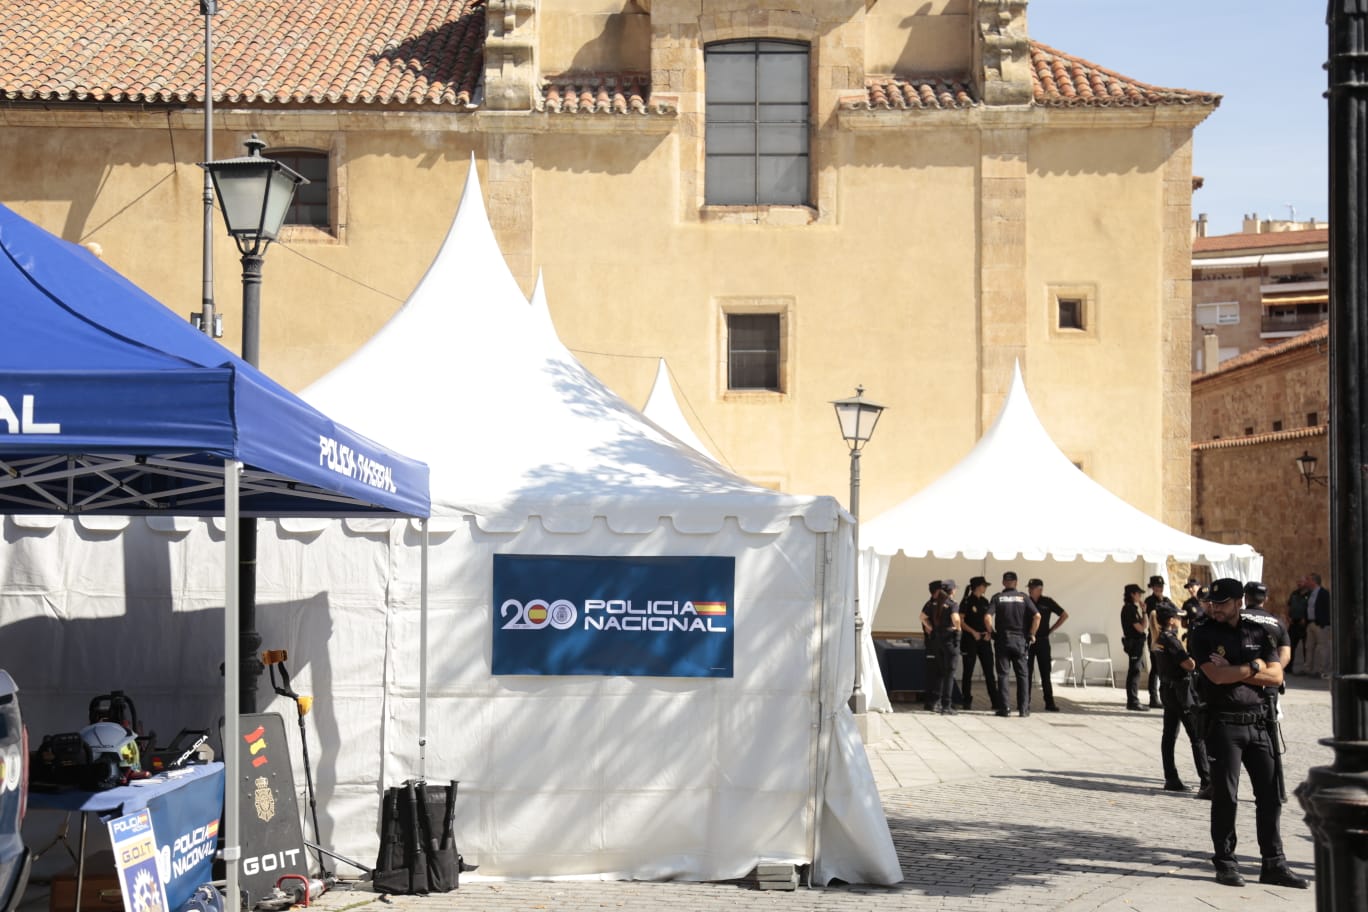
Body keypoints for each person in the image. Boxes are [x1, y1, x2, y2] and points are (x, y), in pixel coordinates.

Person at [1187, 578, 1308, 890]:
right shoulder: (1203, 634)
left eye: (1222, 603)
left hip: (1259, 724)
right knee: (1225, 797)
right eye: (1213, 602)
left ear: (1239, 601)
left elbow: (1277, 675)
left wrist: (1241, 668)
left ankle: (1274, 863)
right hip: (1223, 724)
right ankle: (1225, 862)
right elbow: (1216, 676)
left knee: (1270, 795)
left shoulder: (1257, 632)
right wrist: (1255, 667)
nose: (1215, 608)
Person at [1152, 604, 1211, 796]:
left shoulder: (1159, 638)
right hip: (1180, 692)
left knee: (1168, 736)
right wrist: (1194, 661)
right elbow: (1187, 664)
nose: (1179, 620)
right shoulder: (1171, 640)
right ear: (1170, 620)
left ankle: (1171, 778)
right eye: (1177, 617)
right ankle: (1207, 782)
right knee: (1196, 736)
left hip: (1167, 690)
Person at [985, 571, 1039, 718]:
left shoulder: (997, 598)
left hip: (1002, 640)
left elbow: (987, 616)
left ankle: (1005, 708)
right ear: (1016, 582)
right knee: (1022, 675)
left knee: (1003, 675)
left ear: (1003, 582)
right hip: (1020, 641)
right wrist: (1031, 634)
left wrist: (992, 632)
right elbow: (1037, 616)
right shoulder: (1024, 598)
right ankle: (1023, 709)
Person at [959, 576, 1003, 712]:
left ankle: (995, 701)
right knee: (968, 671)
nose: (985, 588)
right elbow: (960, 621)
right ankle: (966, 700)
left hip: (984, 640)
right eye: (984, 586)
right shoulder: (966, 601)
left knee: (989, 671)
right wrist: (973, 632)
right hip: (970, 640)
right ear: (978, 586)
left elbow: (987, 619)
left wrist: (989, 633)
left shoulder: (985, 601)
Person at [1026, 578, 1067, 712]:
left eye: (1032, 588)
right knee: (1026, 672)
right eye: (1029, 588)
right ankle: (1025, 702)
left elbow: (1064, 615)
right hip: (1028, 641)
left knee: (1045, 673)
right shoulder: (1026, 601)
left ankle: (1049, 702)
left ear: (1040, 589)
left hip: (1043, 640)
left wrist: (1052, 629)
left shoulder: (1047, 602)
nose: (1029, 590)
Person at [925, 579, 962, 714]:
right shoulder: (952, 604)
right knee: (949, 674)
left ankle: (938, 702)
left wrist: (932, 628)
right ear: (952, 590)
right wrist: (957, 629)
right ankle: (947, 705)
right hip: (950, 642)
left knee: (941, 672)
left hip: (938, 641)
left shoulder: (933, 603)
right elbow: (956, 619)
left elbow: (922, 617)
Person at [1144, 575, 1177, 708]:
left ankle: (1165, 696)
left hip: (1167, 637)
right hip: (1155, 637)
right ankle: (1153, 697)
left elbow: (1175, 611)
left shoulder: (1167, 600)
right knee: (1156, 668)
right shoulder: (1150, 600)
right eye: (1157, 586)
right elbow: (1153, 616)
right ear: (1152, 587)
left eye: (1161, 586)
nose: (1159, 589)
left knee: (1165, 667)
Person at [1120, 583, 1149, 711]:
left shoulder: (1133, 608)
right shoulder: (1129, 609)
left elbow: (1145, 626)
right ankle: (1132, 701)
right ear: (1132, 594)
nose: (1140, 596)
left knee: (1135, 671)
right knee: (1134, 672)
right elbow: (1141, 628)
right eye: (1138, 593)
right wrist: (1143, 621)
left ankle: (1133, 700)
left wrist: (1144, 611)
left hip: (1137, 643)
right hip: (1134, 643)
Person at [920, 580, 944, 712]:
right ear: (937, 591)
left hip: (934, 643)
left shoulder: (934, 604)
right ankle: (933, 702)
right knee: (936, 673)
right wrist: (934, 631)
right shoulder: (931, 604)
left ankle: (931, 702)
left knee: (936, 673)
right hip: (933, 644)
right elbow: (922, 618)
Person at [1304, 573, 1331, 677]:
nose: (1307, 582)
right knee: (1309, 647)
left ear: (1314, 581)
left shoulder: (1324, 593)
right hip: (1310, 623)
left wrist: (1324, 622)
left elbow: (1328, 608)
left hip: (1320, 624)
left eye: (1309, 580)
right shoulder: (1309, 593)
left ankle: (1322, 670)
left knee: (1322, 647)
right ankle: (1308, 669)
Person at [1286, 576, 1309, 675]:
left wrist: (1305, 618)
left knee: (1306, 647)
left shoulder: (1310, 594)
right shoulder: (1294, 593)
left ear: (1306, 583)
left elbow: (1310, 608)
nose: (1299, 584)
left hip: (1304, 624)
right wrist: (1288, 616)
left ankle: (1306, 669)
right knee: (1290, 645)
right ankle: (1288, 668)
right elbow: (1288, 605)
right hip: (1293, 623)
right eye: (1298, 582)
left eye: (1301, 582)